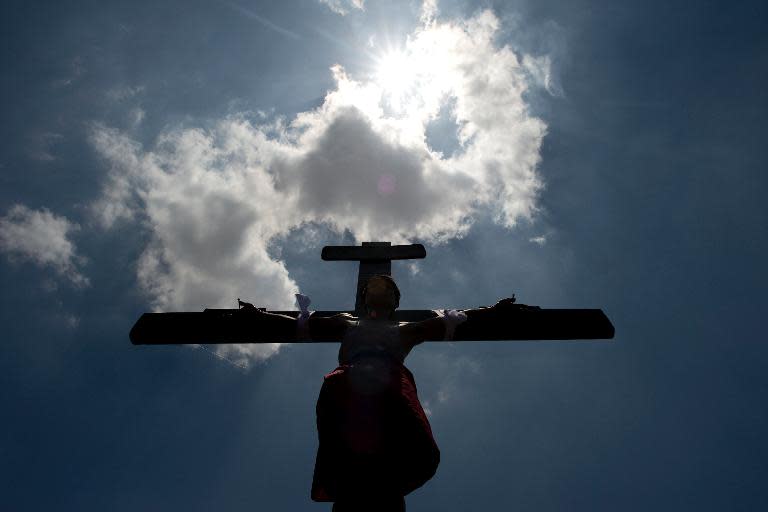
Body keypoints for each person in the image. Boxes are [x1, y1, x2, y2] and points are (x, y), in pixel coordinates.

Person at [242, 276, 514, 511]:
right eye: (373, 287)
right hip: (350, 387)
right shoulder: (346, 323)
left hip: (389, 390)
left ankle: (384, 486)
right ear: (365, 299)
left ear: (395, 301)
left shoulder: (407, 330)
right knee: (351, 457)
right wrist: (258, 317)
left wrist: (492, 310)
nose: (379, 289)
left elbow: (457, 319)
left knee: (390, 462)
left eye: (386, 288)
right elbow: (298, 325)